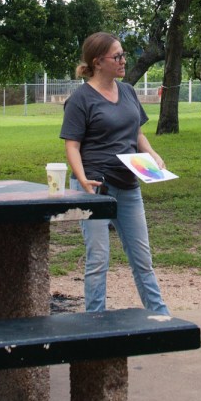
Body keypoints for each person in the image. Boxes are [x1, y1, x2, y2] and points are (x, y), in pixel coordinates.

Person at [60, 33, 170, 315]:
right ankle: (95, 322)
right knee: (98, 259)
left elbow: (137, 132)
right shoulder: (80, 100)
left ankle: (159, 316)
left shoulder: (128, 91)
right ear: (98, 62)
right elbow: (72, 145)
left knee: (142, 259)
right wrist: (82, 179)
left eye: (123, 55)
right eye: (117, 56)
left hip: (128, 184)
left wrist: (153, 155)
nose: (123, 61)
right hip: (95, 187)